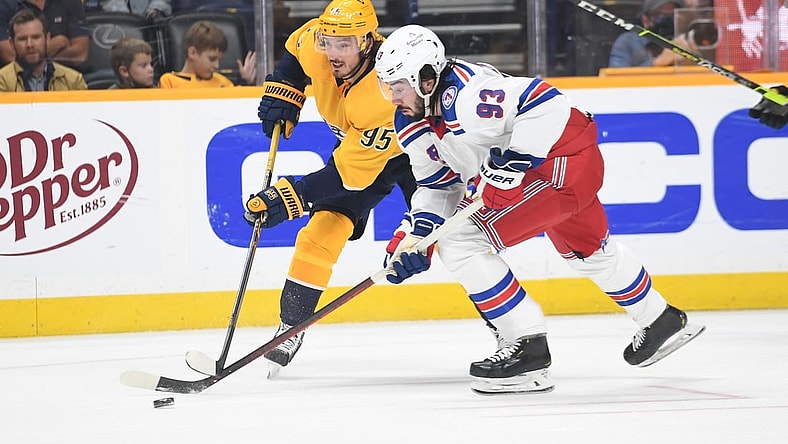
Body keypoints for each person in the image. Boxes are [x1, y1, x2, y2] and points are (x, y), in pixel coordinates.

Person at [375, 24, 705, 394]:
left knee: (462, 242)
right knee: (589, 252)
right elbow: (439, 187)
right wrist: (411, 240)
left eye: (397, 86)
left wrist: (517, 159)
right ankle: (660, 318)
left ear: (425, 77)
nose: (391, 97)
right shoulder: (410, 121)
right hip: (561, 168)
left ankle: (528, 347)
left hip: (560, 163)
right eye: (386, 87)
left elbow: (546, 101)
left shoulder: (467, 96)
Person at [243, 0, 417, 378]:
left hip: (422, 157)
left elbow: (351, 176)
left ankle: (516, 333)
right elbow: (296, 52)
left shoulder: (382, 92)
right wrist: (284, 87)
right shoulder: (316, 47)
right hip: (359, 153)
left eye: (345, 44)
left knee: (458, 240)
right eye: (329, 41)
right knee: (320, 233)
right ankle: (292, 326)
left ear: (369, 42)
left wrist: (293, 195)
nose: (333, 53)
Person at [0, 8, 86, 91]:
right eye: (22, 39)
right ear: (11, 43)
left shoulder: (73, 82)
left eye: (36, 37)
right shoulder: (2, 81)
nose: (29, 44)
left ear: (47, 39)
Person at [158, 20, 255, 88]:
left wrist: (246, 83)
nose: (217, 65)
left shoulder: (224, 83)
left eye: (219, 60)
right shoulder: (169, 81)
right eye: (212, 59)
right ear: (192, 53)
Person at [0, 0, 89, 68]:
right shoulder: (4, 5)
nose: (30, 44)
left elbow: (80, 54)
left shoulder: (70, 2)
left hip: (68, 79)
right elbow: (9, 57)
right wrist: (58, 43)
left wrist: (31, 56)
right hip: (18, 82)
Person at [608, 0, 694, 67]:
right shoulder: (628, 42)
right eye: (659, 15)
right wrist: (658, 63)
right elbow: (616, 80)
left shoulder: (694, 39)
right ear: (645, 20)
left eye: (673, 15)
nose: (666, 21)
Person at [100, 0, 171, 22]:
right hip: (116, 28)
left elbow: (162, 1)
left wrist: (156, 10)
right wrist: (125, 18)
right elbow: (108, 2)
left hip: (149, 26)